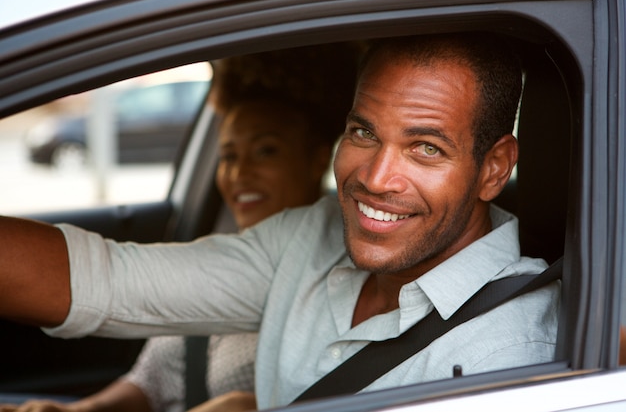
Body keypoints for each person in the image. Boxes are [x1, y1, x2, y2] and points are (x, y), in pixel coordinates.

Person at [0, 32, 560, 410]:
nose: (376, 177)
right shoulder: (309, 235)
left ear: (493, 169)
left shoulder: (510, 350)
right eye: (364, 132)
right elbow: (110, 281)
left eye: (426, 149)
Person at [0, 44, 360, 412]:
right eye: (229, 156)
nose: (240, 173)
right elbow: (150, 379)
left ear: (318, 159)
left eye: (265, 151)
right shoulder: (228, 259)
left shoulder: (342, 273)